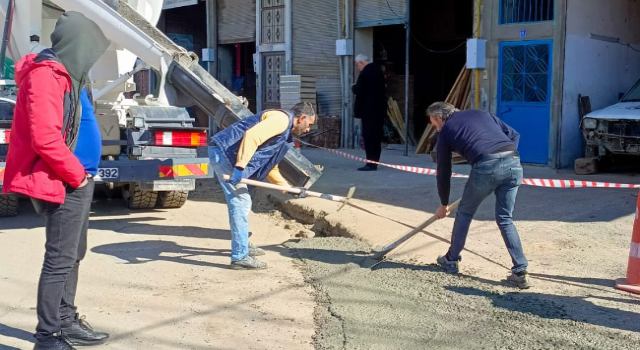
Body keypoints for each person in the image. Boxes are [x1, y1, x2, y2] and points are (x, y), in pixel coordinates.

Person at [2, 12, 111, 350]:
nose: (93, 58)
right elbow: (44, 137)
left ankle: (66, 320)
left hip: (77, 178)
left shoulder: (69, 75)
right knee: (60, 258)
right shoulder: (46, 77)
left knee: (73, 254)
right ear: (79, 45)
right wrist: (76, 175)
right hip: (62, 180)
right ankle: (48, 336)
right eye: (91, 50)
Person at [427, 102, 531, 289]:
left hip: (486, 167)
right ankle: (520, 271)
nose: (436, 128)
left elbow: (444, 170)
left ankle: (451, 260)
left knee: (465, 213)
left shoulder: (446, 131)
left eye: (434, 124)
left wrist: (443, 204)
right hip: (514, 163)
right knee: (506, 218)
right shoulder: (481, 113)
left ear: (439, 118)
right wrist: (506, 159)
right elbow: (514, 135)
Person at [209, 102, 316, 270]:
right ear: (302, 118)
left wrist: (289, 189)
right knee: (241, 202)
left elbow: (272, 167)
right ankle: (240, 256)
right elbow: (252, 136)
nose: (308, 129)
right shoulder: (281, 119)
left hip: (231, 158)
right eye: (309, 124)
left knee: (243, 203)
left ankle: (242, 244)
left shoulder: (286, 135)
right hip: (225, 154)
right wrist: (240, 166)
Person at [352, 54, 386, 171]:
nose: (358, 67)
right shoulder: (377, 71)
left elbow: (359, 90)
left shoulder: (366, 73)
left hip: (368, 111)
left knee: (369, 138)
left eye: (357, 65)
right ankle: (374, 162)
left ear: (361, 62)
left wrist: (354, 87)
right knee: (375, 138)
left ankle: (370, 164)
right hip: (378, 111)